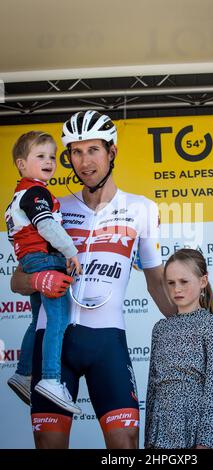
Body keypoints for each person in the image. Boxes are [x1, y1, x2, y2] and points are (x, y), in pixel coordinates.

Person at [11, 110, 176, 450]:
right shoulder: (52, 206)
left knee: (125, 442)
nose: (84, 162)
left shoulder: (141, 208)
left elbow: (156, 282)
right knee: (48, 444)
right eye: (75, 152)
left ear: (111, 152)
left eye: (93, 150)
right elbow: (18, 279)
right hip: (53, 342)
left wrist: (188, 323)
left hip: (107, 342)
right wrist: (39, 281)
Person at [5, 131, 81, 414]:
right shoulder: (36, 192)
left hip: (31, 261)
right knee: (58, 319)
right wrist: (71, 252)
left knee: (38, 318)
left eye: (52, 156)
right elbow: (47, 227)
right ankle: (50, 379)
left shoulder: (19, 194)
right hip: (45, 261)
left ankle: (24, 374)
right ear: (22, 164)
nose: (49, 161)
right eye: (41, 156)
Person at [144, 248, 213, 449]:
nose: (177, 289)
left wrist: (205, 442)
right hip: (162, 430)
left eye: (184, 282)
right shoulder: (160, 328)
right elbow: (152, 388)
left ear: (203, 281)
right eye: (171, 283)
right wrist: (148, 438)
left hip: (197, 426)